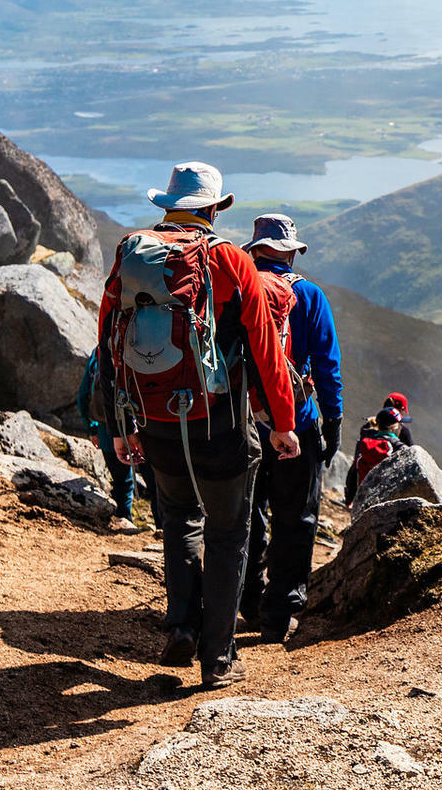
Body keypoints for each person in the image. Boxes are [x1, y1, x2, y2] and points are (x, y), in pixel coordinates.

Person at [94, 161, 298, 689]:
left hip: (156, 419)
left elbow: (107, 342)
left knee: (180, 518)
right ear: (213, 208)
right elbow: (265, 348)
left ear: (168, 206)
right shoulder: (228, 260)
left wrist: (119, 424)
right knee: (229, 533)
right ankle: (219, 659)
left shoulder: (131, 254)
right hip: (220, 423)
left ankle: (180, 628)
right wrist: (282, 421)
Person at [238, 213, 343, 643]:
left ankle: (246, 600)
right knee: (296, 517)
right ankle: (281, 612)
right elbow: (326, 364)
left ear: (256, 248)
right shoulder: (310, 295)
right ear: (291, 252)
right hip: (297, 424)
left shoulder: (236, 290)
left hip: (243, 424)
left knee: (246, 513)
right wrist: (333, 419)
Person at [76, 352, 153, 532]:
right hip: (146, 428)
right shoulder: (143, 348)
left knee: (121, 481)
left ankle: (124, 521)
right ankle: (163, 528)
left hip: (107, 430)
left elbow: (83, 396)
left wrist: (92, 428)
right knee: (156, 484)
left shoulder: (98, 354)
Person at [346, 407, 404, 505]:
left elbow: (353, 472)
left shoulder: (365, 442)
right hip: (385, 498)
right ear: (393, 427)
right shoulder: (399, 447)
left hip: (364, 496)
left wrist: (349, 499)